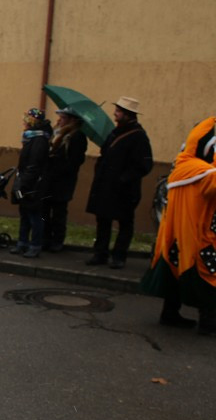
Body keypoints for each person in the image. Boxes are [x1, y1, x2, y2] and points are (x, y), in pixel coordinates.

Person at [140, 117, 216, 333]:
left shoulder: (182, 165)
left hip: (174, 236)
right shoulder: (206, 173)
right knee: (207, 277)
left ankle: (169, 313)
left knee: (173, 273)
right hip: (199, 234)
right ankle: (209, 323)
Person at [84, 96, 153, 269]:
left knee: (125, 223)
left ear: (128, 114)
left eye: (119, 111)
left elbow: (144, 165)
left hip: (124, 190)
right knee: (103, 221)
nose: (115, 113)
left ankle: (119, 256)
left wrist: (123, 179)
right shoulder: (115, 132)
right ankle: (100, 253)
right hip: (106, 187)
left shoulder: (138, 136)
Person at [41, 107, 88, 252]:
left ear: (72, 120)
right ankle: (45, 239)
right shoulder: (56, 134)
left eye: (62, 118)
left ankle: (57, 240)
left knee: (59, 213)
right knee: (45, 211)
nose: (59, 120)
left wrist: (56, 161)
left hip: (62, 182)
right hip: (49, 180)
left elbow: (74, 162)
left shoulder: (76, 137)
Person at [10, 108, 52, 258]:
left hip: (34, 185)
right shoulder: (32, 138)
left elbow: (34, 164)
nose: (23, 122)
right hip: (27, 182)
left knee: (35, 215)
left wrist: (24, 183)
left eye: (26, 119)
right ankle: (22, 242)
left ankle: (35, 245)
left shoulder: (39, 140)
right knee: (25, 214)